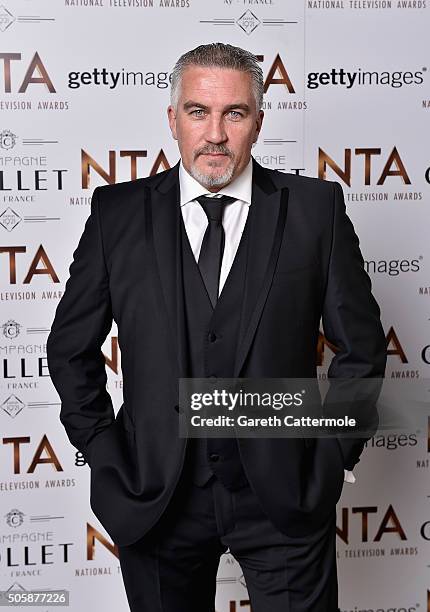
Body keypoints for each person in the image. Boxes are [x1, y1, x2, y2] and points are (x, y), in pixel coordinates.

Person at [47, 43, 387, 612]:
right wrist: (106, 453)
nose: (215, 134)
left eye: (234, 113)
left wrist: (329, 460)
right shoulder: (117, 214)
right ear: (173, 119)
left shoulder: (315, 209)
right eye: (199, 112)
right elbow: (69, 350)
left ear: (258, 122)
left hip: (285, 497)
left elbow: (362, 350)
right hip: (154, 495)